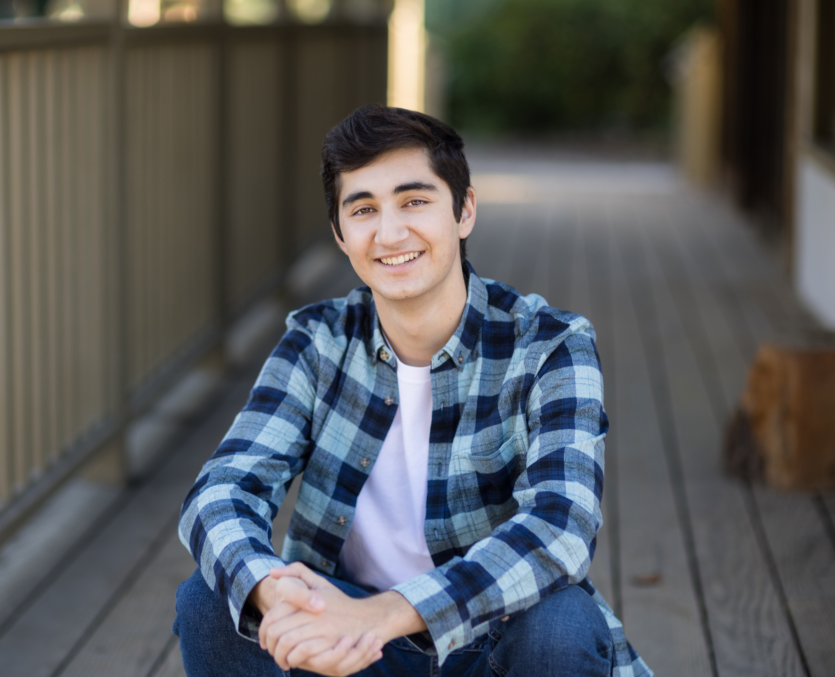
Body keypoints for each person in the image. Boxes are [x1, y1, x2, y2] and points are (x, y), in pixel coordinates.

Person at [174, 104, 652, 677]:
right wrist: (272, 593)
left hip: (482, 641)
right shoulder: (317, 342)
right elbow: (221, 491)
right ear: (340, 234)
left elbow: (560, 525)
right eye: (364, 209)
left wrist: (385, 614)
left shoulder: (549, 345)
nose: (390, 232)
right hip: (348, 647)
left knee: (561, 625)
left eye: (415, 201)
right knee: (210, 601)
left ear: (464, 209)